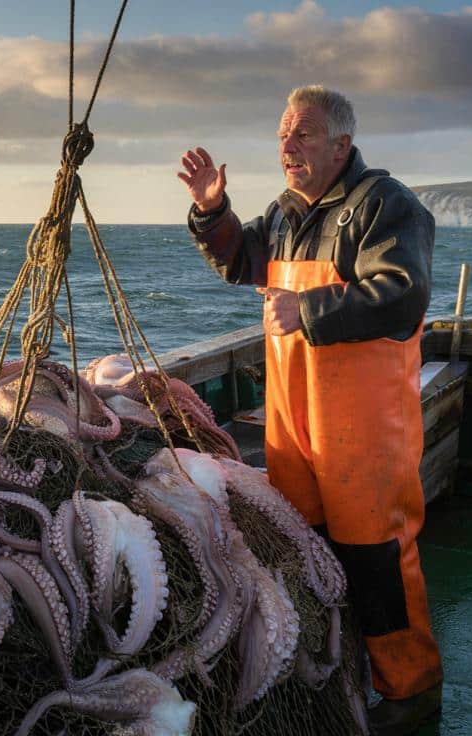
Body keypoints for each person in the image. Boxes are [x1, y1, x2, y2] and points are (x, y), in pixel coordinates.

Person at [177, 85, 443, 735]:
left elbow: (402, 293)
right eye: (281, 136)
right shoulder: (287, 212)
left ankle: (412, 689)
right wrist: (213, 213)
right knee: (303, 545)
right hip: (295, 417)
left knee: (377, 557)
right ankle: (333, 663)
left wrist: (311, 310)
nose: (287, 147)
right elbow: (243, 260)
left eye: (301, 134)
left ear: (340, 145)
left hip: (364, 425)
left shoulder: (385, 205)